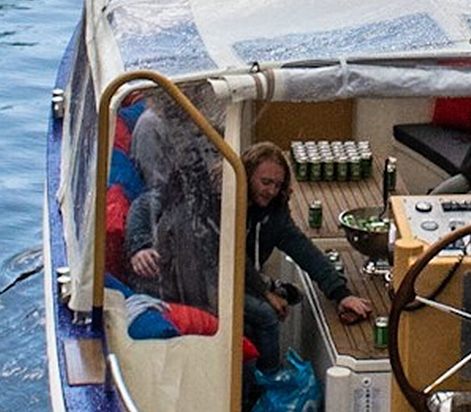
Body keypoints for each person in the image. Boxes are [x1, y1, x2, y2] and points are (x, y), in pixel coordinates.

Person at [127, 142, 373, 374]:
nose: (271, 190)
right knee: (266, 316)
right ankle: (269, 385)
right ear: (245, 174)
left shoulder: (272, 214)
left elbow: (304, 250)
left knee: (273, 308)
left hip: (230, 278)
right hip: (189, 283)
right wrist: (140, 247)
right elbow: (143, 207)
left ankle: (252, 380)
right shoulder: (208, 197)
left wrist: (341, 294)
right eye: (265, 182)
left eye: (277, 185)